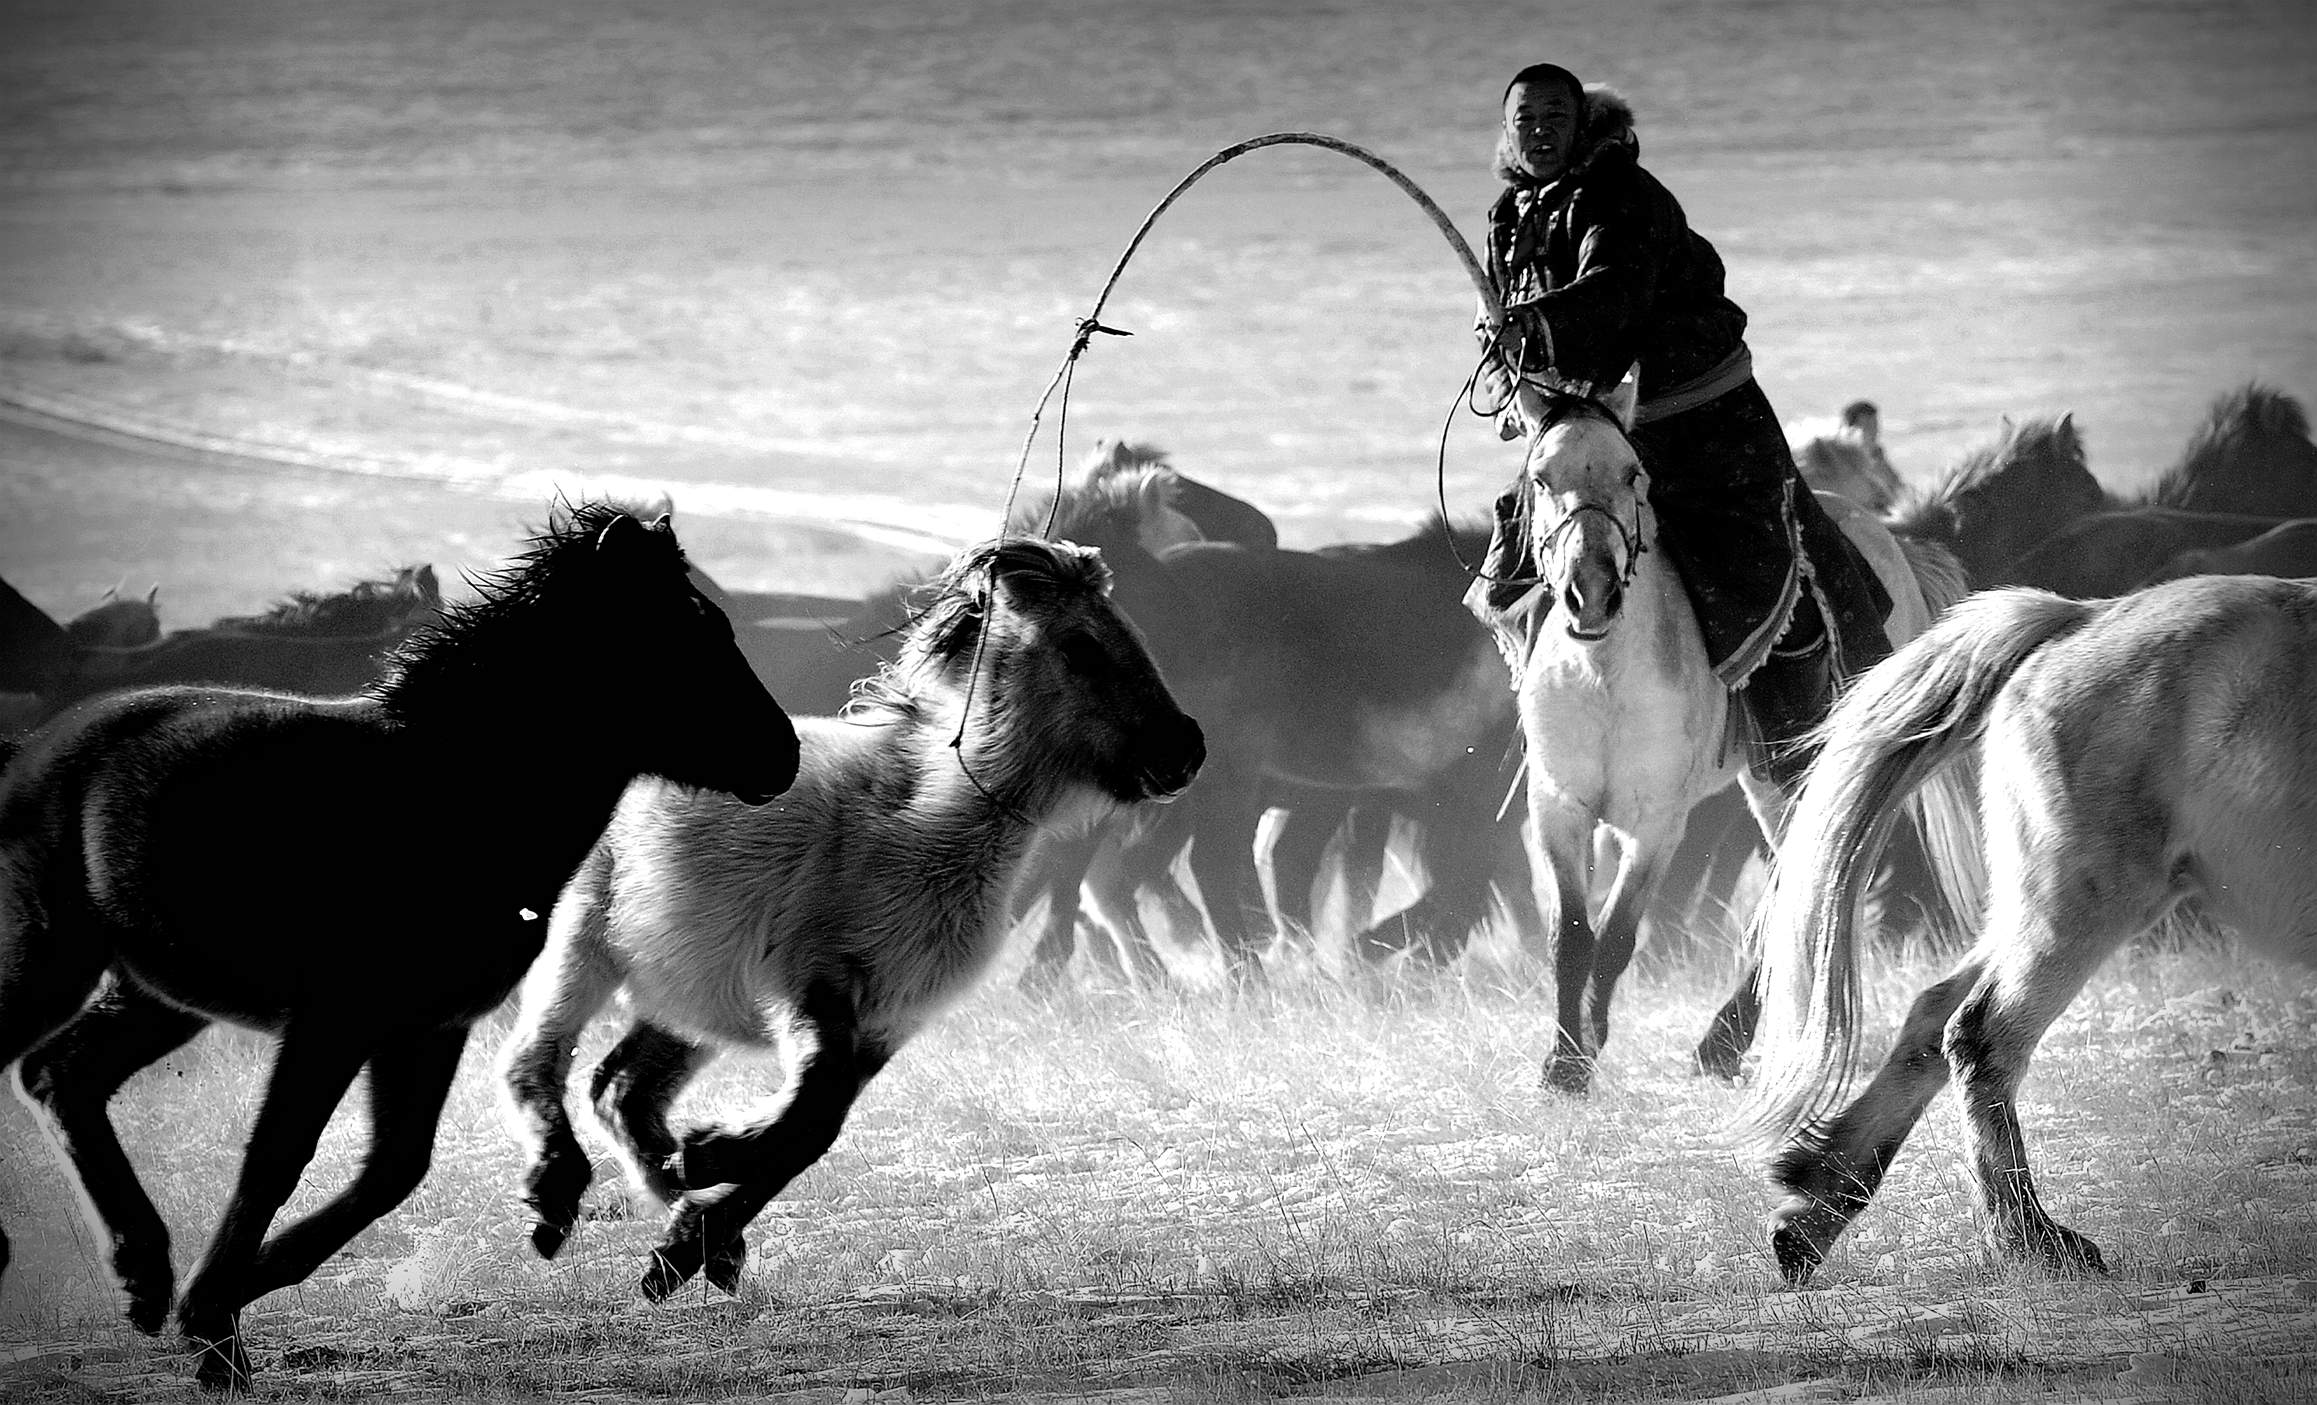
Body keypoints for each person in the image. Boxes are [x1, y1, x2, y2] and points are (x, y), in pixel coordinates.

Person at [1473, 62, 1892, 788]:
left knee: (1758, 569)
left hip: (1703, 425)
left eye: (1554, 119)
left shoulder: (1626, 199)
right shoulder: (1511, 216)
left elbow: (1615, 294)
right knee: (1517, 550)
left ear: (1581, 126)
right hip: (1600, 427)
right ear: (1507, 133)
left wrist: (1533, 324)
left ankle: (1803, 744)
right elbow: (1519, 318)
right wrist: (1505, 351)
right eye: (1525, 122)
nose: (1540, 133)